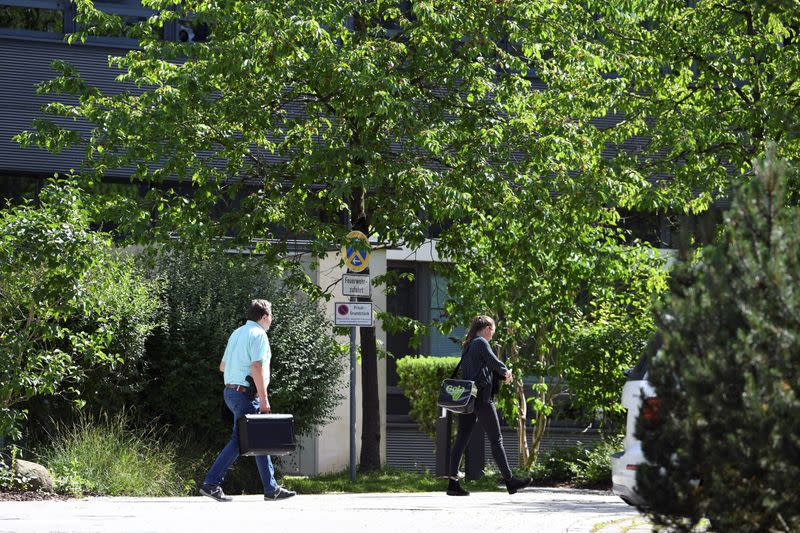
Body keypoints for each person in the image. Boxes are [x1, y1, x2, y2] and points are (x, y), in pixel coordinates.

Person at [199, 299, 296, 502]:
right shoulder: (259, 334)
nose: (272, 319)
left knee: (257, 438)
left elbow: (223, 366)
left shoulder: (237, 333)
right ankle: (211, 483)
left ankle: (271, 488)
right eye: (271, 315)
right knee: (240, 440)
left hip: (230, 392)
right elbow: (257, 367)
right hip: (245, 394)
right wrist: (264, 398)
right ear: (264, 317)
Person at [446, 315, 532, 496]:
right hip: (482, 398)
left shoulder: (469, 344)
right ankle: (510, 481)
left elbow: (485, 367)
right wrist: (506, 372)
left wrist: (500, 375)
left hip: (469, 398)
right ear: (486, 328)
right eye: (493, 330)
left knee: (462, 438)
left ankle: (453, 483)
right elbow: (493, 362)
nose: (493, 334)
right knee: (496, 439)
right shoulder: (480, 343)